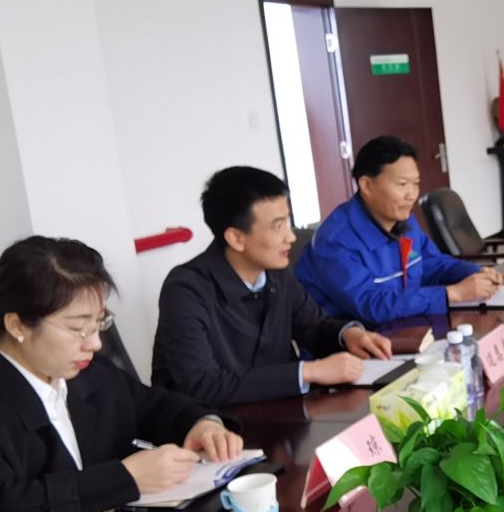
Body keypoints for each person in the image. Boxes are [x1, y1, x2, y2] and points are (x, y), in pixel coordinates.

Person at [0, 236, 243, 512]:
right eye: (78, 329)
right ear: (17, 325)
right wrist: (125, 479)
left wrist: (202, 423)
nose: (95, 343)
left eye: (98, 324)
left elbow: (150, 405)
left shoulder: (85, 372)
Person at [153, 165, 395, 405]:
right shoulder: (186, 290)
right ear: (236, 238)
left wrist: (349, 335)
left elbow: (313, 326)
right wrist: (309, 372)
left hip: (279, 410)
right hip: (212, 424)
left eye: (287, 222)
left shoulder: (276, 273)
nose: (290, 237)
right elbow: (202, 384)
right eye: (277, 226)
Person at [296, 136, 504, 325]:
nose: (411, 195)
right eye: (402, 184)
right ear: (367, 185)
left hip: (407, 329)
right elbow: (372, 305)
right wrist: (451, 294)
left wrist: (475, 274)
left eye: (415, 184)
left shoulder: (405, 223)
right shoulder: (334, 242)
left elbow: (432, 265)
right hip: (355, 347)